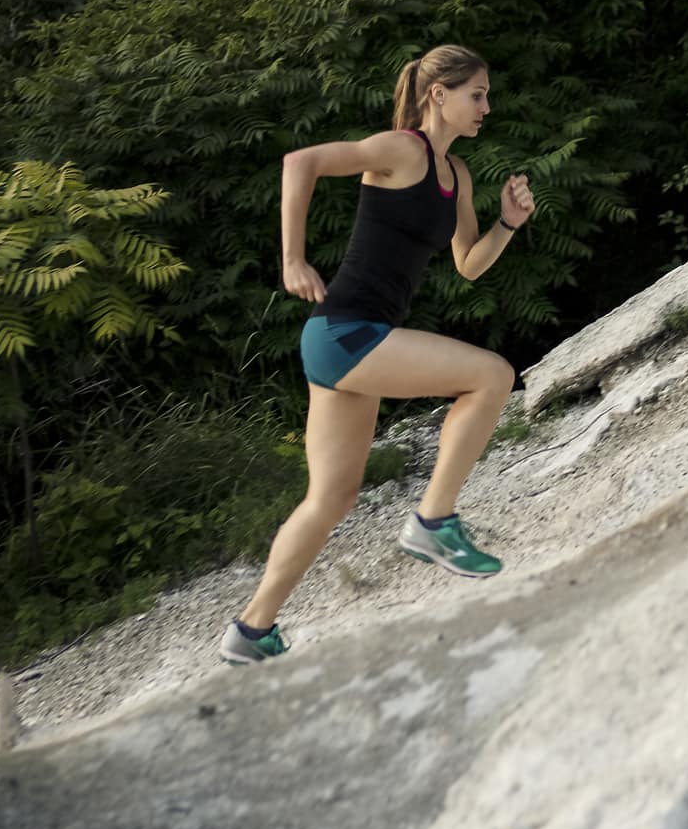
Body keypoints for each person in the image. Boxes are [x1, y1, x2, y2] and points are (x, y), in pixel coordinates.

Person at [219, 44, 535, 664]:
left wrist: (508, 225)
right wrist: (291, 259)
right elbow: (300, 161)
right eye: (478, 94)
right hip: (346, 332)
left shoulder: (457, 176)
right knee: (491, 376)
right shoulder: (402, 149)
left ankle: (250, 633)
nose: (487, 107)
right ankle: (433, 522)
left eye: (488, 96)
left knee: (331, 498)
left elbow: (467, 265)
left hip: (346, 343)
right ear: (438, 94)